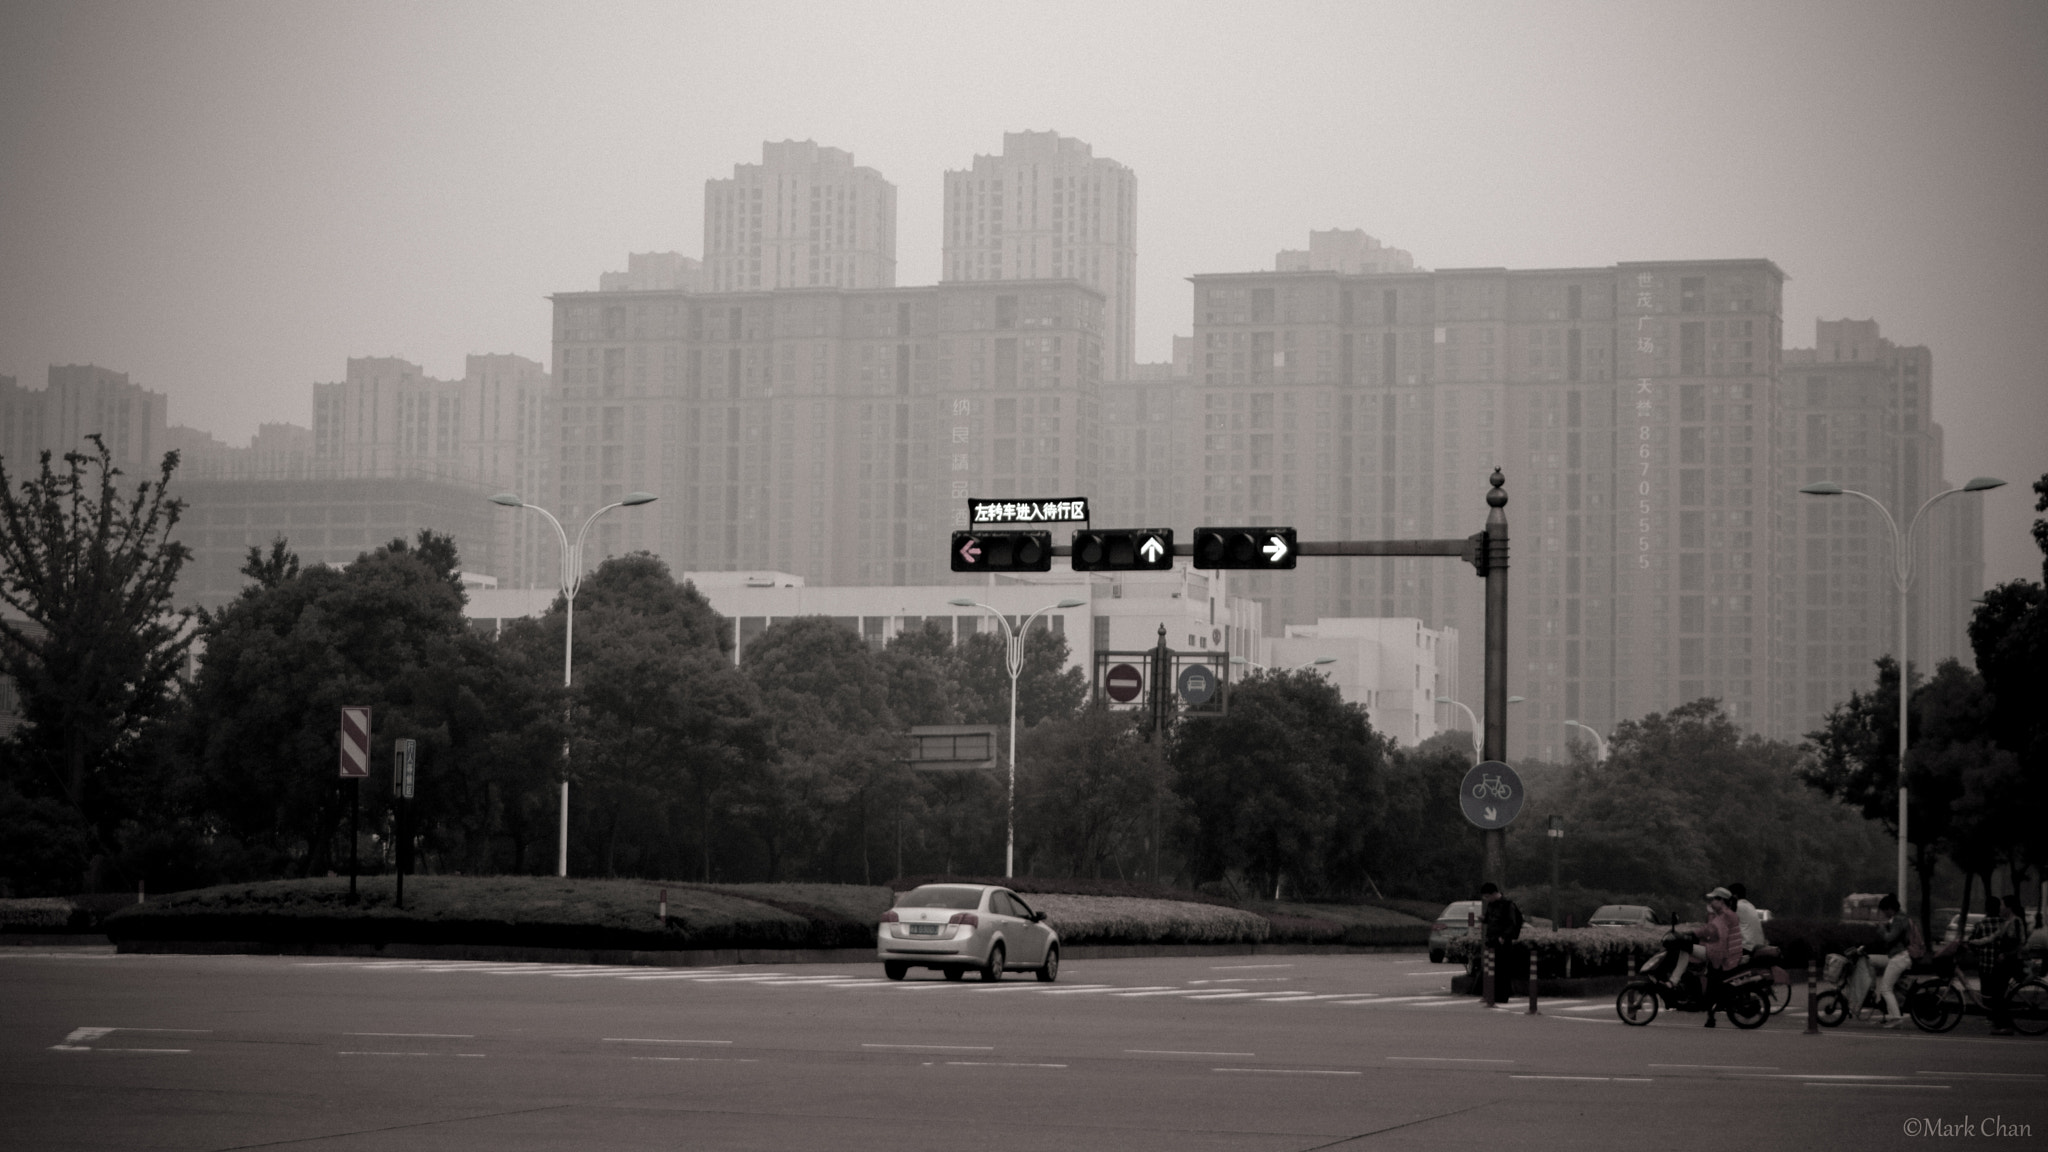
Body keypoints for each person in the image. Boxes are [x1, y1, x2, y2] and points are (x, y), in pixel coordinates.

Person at [1971, 893, 2027, 1036]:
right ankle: (2001, 1024)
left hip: (2010, 963)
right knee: (1997, 994)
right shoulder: (2006, 922)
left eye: (2002, 905)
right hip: (2003, 963)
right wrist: (1974, 942)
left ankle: (2005, 1026)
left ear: (2009, 907)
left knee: (1997, 994)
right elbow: (1991, 938)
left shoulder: (2016, 922)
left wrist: (2005, 954)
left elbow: (2020, 943)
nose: (2000, 908)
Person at [1688, 887, 1743, 1027]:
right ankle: (1710, 1016)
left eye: (1713, 899)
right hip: (1727, 954)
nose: (1711, 902)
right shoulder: (1723, 915)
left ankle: (1711, 1016)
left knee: (1713, 983)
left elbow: (1715, 933)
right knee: (1712, 982)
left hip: (1726, 956)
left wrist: (1693, 935)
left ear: (1721, 901)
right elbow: (1711, 930)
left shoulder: (1726, 915)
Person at [1871, 893, 1918, 1028]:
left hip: (1899, 957)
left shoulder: (1898, 920)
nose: (1884, 914)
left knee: (1885, 989)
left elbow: (1889, 938)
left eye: (1884, 911)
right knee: (1890, 988)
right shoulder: (1902, 918)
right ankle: (1891, 1016)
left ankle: (1896, 1018)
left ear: (1890, 909)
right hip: (1901, 957)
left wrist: (1881, 930)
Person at [1476, 882, 1523, 1000]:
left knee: (1502, 969)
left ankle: (1502, 995)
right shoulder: (1491, 905)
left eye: (1487, 896)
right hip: (1491, 938)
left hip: (1502, 941)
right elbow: (1490, 918)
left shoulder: (1508, 905)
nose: (1486, 899)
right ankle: (1491, 994)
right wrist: (1483, 920)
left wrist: (1504, 936)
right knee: (1492, 968)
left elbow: (1512, 923)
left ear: (1494, 894)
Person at [1729, 882, 1766, 960]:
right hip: (1758, 946)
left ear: (1734, 896)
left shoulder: (1737, 907)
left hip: (1747, 948)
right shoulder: (1751, 905)